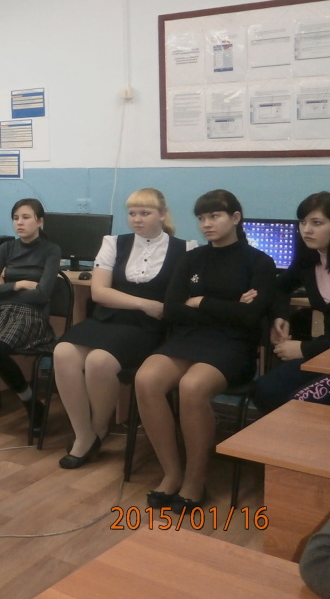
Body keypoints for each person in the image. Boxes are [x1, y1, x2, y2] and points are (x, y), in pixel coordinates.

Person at [135, 189, 275, 514]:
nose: (206, 224)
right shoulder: (191, 258)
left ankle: (195, 480)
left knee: (192, 386)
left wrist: (202, 302)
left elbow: (250, 318)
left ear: (235, 218)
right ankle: (172, 473)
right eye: (201, 218)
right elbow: (172, 310)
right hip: (188, 338)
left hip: (233, 345)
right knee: (146, 380)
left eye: (214, 216)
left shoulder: (259, 262)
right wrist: (230, 306)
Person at [53, 188, 194, 469]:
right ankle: (83, 434)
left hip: (147, 328)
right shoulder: (114, 243)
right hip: (109, 318)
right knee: (63, 352)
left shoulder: (185, 249)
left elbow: (182, 298)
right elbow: (99, 293)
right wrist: (145, 304)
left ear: (162, 214)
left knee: (99, 361)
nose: (137, 219)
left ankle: (98, 429)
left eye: (145, 213)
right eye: (132, 213)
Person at [0, 198, 61, 433]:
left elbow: (42, 295)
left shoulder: (51, 250)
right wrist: (19, 284)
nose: (19, 223)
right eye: (15, 218)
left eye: (26, 217)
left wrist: (3, 285)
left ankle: (30, 401)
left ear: (39, 221)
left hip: (32, 315)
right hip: (2, 312)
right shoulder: (6, 248)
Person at [252, 191, 330, 413]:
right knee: (265, 390)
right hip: (323, 352)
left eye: (317, 223)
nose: (306, 230)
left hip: (321, 351)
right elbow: (280, 287)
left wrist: (305, 348)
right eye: (303, 222)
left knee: (300, 401)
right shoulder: (309, 260)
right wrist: (281, 316)